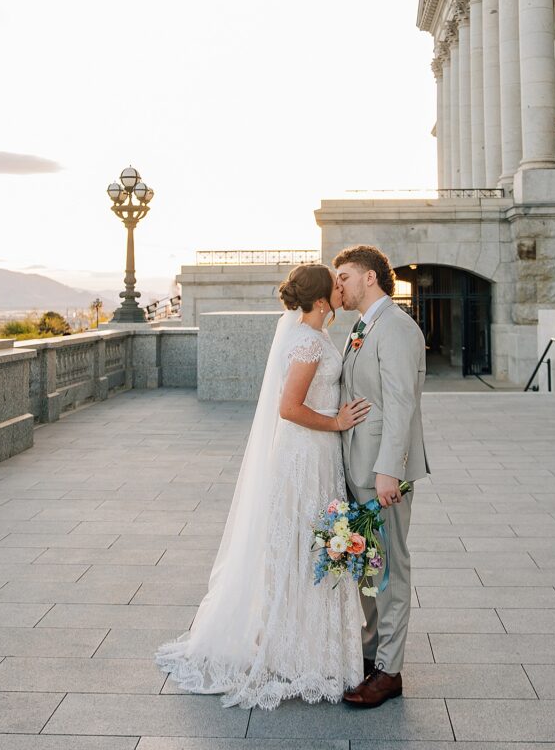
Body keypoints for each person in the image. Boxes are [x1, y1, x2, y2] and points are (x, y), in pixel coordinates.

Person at [155, 263, 370, 710]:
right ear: (318, 301)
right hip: (306, 453)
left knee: (303, 545)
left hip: (315, 453)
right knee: (300, 545)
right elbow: (289, 407)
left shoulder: (313, 334)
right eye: (334, 285)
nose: (340, 288)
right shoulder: (309, 341)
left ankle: (304, 642)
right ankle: (292, 648)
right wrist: (336, 420)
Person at [334, 244, 429, 709]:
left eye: (345, 277)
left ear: (370, 278)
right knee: (368, 568)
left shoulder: (396, 328)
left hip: (382, 473)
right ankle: (371, 656)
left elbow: (400, 405)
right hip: (359, 466)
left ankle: (389, 672)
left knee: (390, 569)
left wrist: (389, 469)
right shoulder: (362, 326)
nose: (340, 287)